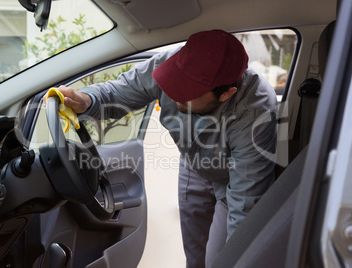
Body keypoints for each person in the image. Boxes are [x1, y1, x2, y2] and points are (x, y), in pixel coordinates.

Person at [52, 29, 277, 268]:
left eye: (188, 92)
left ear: (226, 94)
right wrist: (87, 100)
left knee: (222, 259)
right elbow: (118, 92)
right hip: (192, 166)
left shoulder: (255, 111)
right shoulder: (170, 64)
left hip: (233, 180)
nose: (173, 93)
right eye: (175, 83)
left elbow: (244, 206)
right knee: (195, 257)